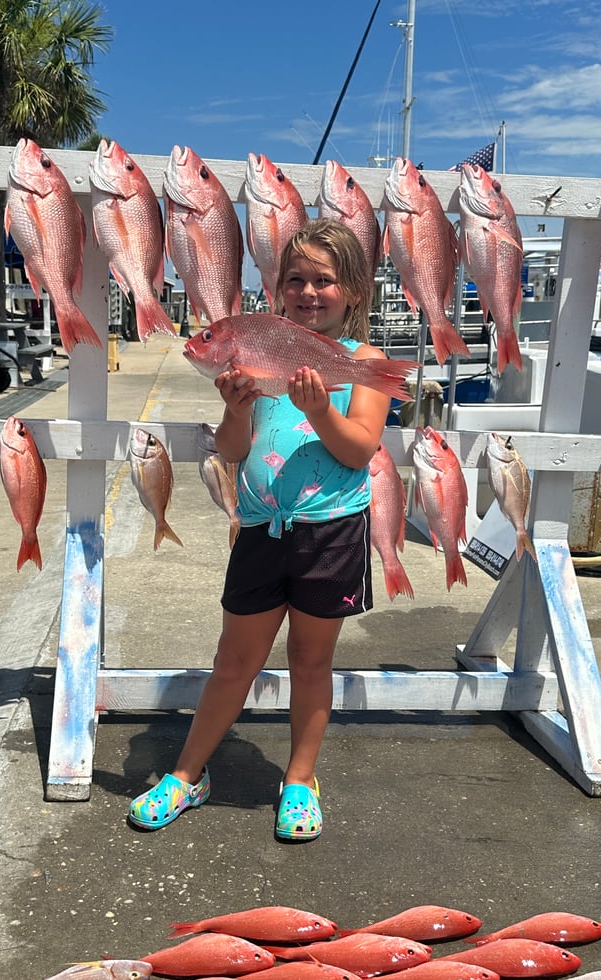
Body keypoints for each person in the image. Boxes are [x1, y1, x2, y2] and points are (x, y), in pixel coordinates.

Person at [128, 218, 390, 841]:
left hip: (330, 533)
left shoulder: (366, 363)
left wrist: (321, 407)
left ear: (352, 291)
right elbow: (232, 449)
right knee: (234, 660)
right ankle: (188, 774)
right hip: (260, 532)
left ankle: (300, 779)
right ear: (276, 289)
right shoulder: (260, 353)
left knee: (311, 660)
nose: (308, 291)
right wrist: (234, 408)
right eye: (295, 279)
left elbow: (359, 450)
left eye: (324, 280)